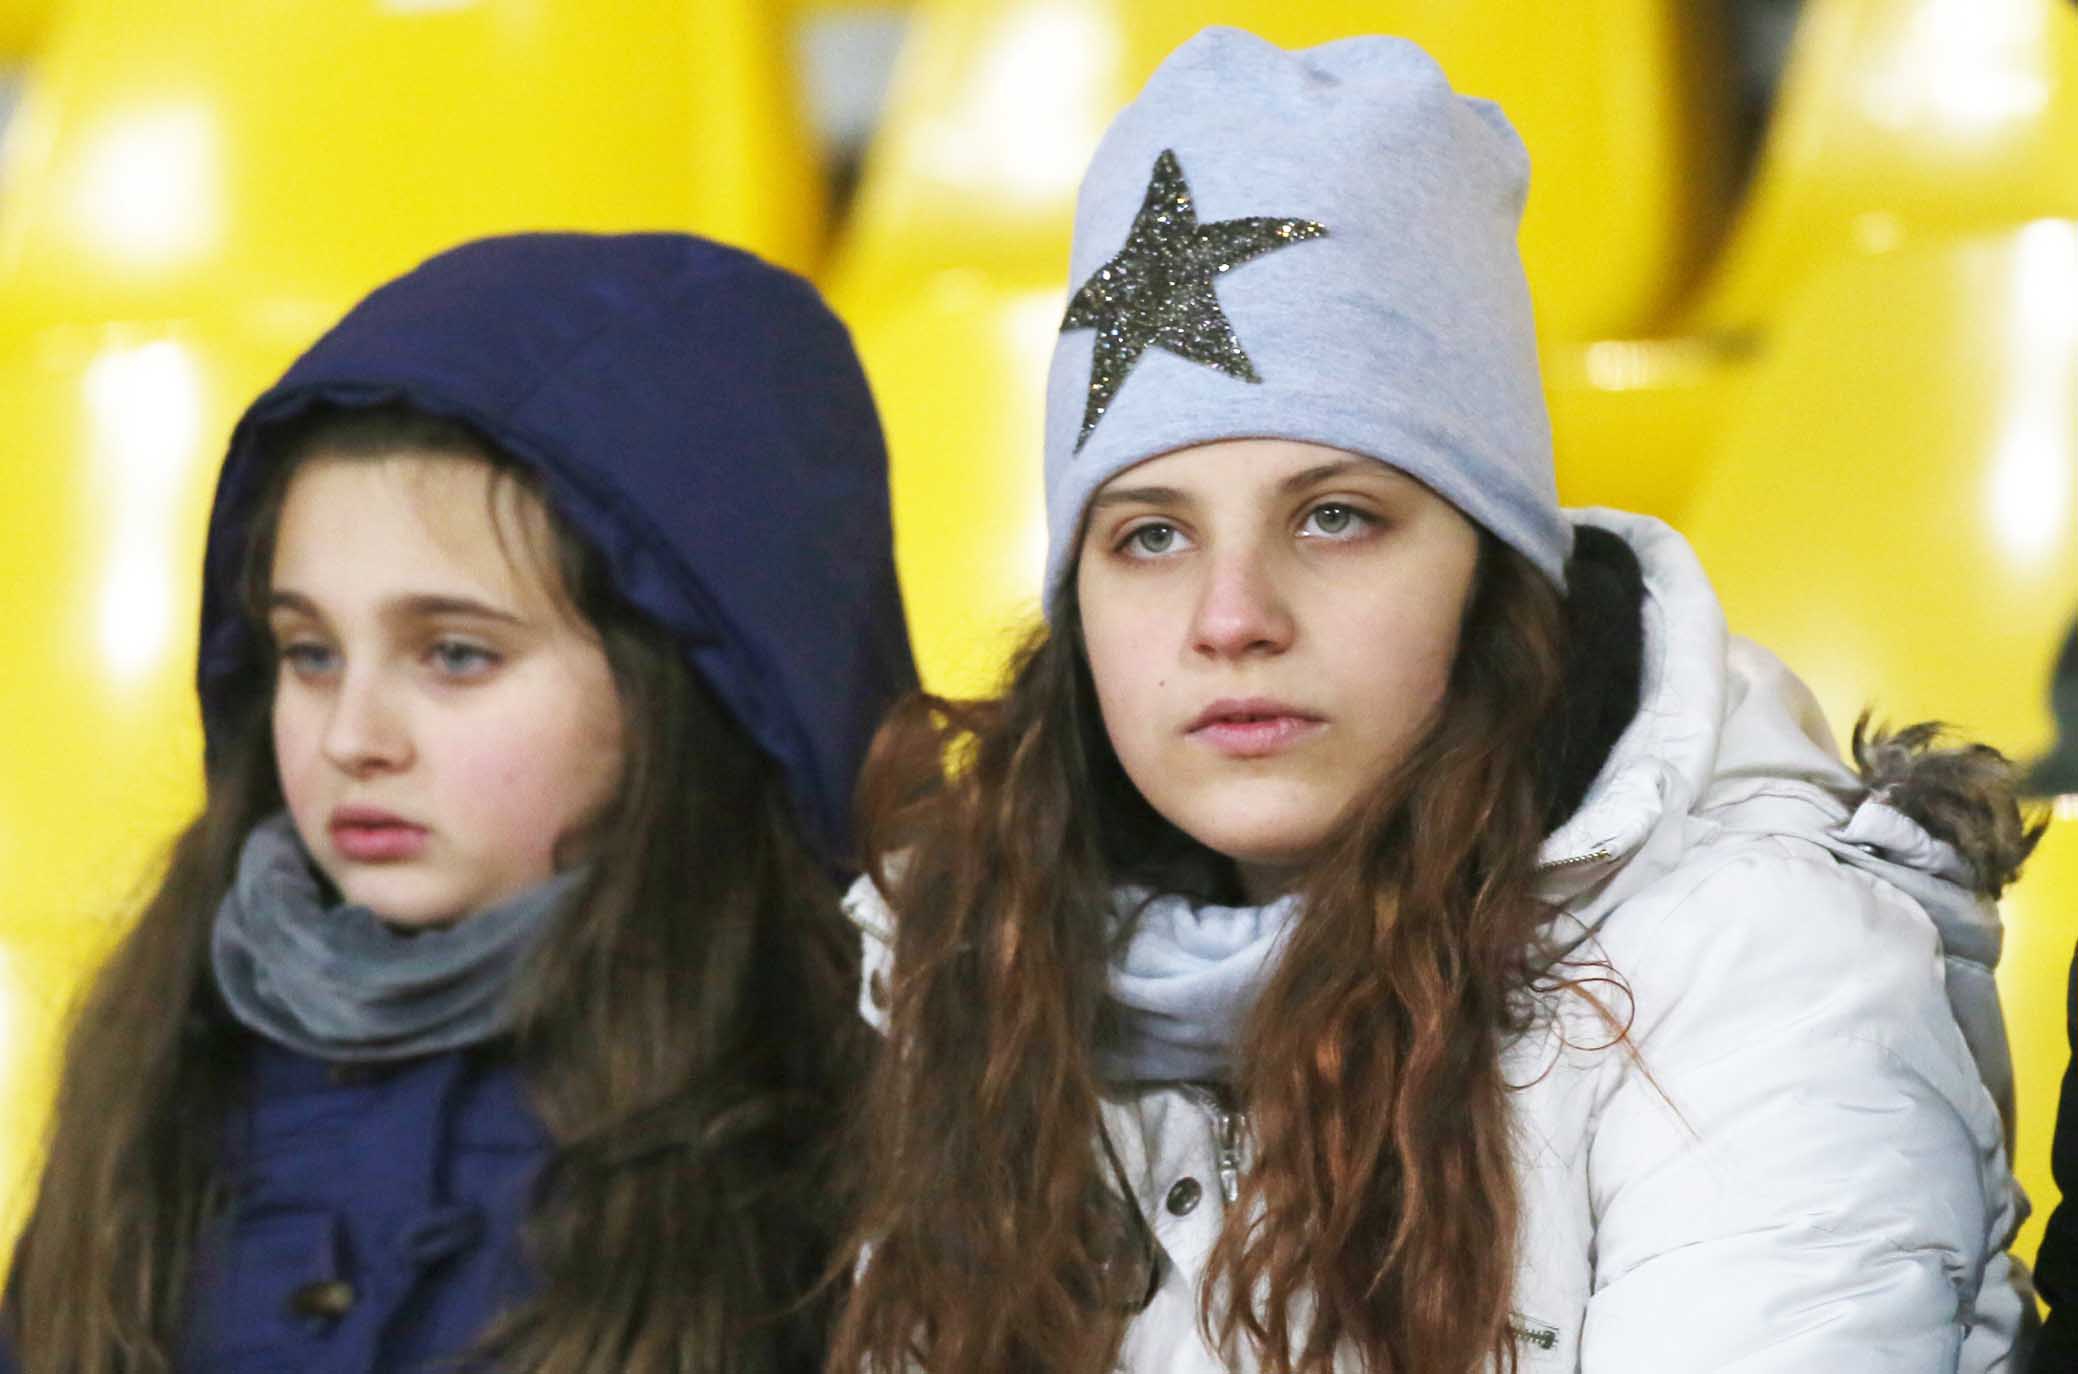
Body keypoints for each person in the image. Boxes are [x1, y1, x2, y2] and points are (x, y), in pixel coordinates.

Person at [831, 28, 2035, 1374]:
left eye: (1335, 516)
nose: (1231, 617)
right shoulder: (979, 964)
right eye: (1149, 536)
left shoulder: (1760, 961)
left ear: (1492, 571)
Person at [3, 232, 915, 1373]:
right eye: (308, 651)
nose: (353, 739)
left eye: (455, 656)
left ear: (688, 690)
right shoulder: (162, 1052)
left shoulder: (873, 1114)